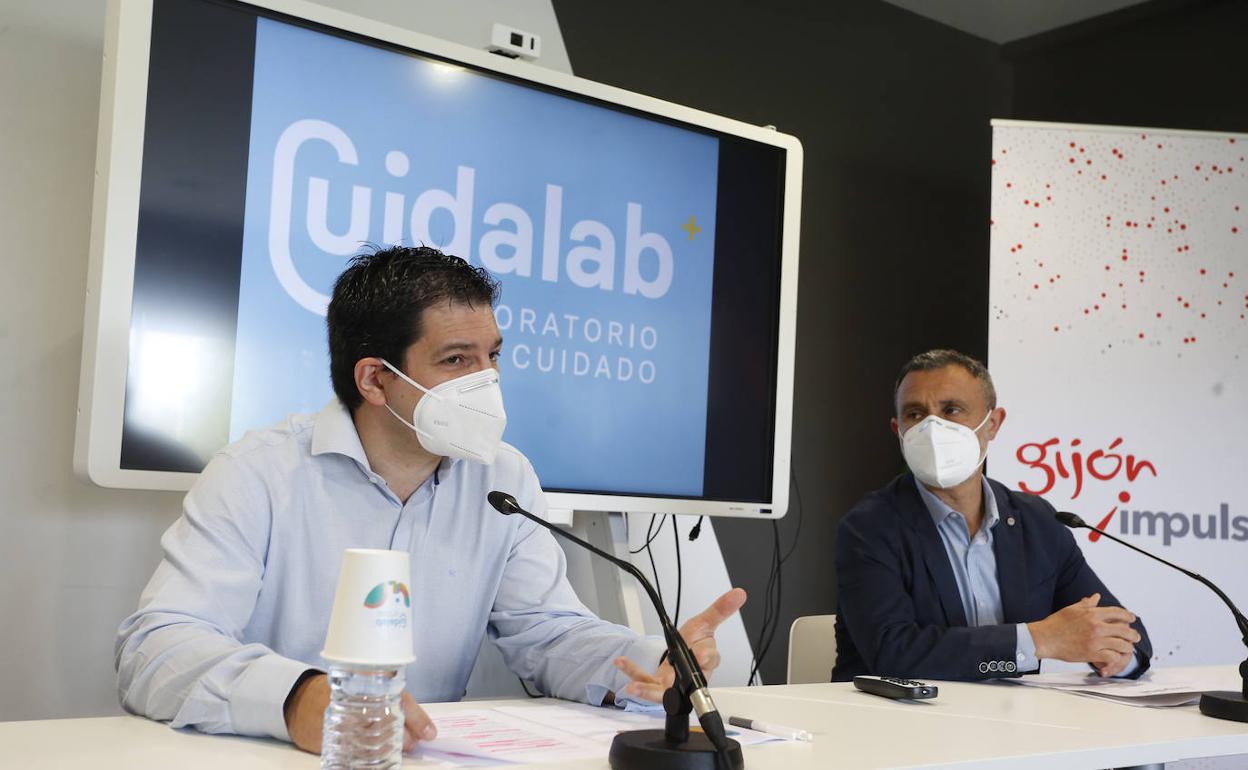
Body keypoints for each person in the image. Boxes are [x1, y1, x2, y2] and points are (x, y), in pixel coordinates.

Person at [116, 245, 746, 753]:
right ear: (374, 379)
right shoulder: (259, 473)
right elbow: (157, 648)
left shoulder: (505, 477)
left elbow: (546, 633)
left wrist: (650, 661)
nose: (486, 381)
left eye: (492, 357)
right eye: (455, 359)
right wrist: (299, 697)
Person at [832, 349, 1150, 682]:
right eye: (915, 414)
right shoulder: (869, 527)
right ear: (898, 429)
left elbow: (1128, 633)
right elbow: (893, 655)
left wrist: (1115, 655)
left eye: (951, 410)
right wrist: (1038, 640)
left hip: (1009, 724)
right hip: (895, 724)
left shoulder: (1037, 522)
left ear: (993, 424)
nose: (932, 427)